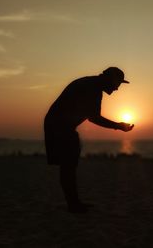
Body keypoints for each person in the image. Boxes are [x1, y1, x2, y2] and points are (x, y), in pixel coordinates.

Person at [44, 67, 134, 213]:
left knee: (69, 165)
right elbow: (94, 117)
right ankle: (73, 205)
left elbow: (91, 115)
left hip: (61, 125)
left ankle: (73, 203)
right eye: (118, 83)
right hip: (59, 126)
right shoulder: (92, 88)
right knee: (68, 165)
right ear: (111, 79)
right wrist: (118, 126)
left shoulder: (93, 85)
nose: (117, 88)